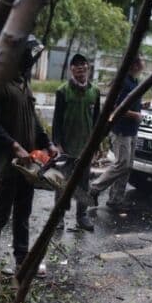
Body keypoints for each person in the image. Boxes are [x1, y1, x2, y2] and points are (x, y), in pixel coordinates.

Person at [0, 35, 58, 275]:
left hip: (29, 163)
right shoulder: (0, 85)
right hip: (9, 162)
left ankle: (22, 260)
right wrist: (15, 147)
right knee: (1, 212)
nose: (29, 60)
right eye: (26, 55)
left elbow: (33, 121)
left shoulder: (24, 84)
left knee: (23, 212)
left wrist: (47, 143)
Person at [89, 56, 145, 211]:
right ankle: (94, 188)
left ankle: (116, 199)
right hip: (121, 130)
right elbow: (115, 108)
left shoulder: (134, 82)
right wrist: (135, 115)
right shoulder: (123, 82)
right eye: (141, 62)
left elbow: (130, 103)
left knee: (128, 166)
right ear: (134, 65)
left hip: (132, 130)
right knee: (122, 163)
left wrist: (142, 105)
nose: (143, 65)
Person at [52, 53, 100, 231]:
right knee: (62, 184)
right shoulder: (63, 91)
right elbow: (56, 120)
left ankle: (82, 216)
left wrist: (96, 145)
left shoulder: (94, 92)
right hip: (66, 147)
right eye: (77, 67)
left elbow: (97, 121)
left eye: (84, 66)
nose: (81, 70)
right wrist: (57, 143)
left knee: (83, 184)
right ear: (72, 69)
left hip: (85, 147)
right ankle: (59, 217)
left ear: (88, 68)